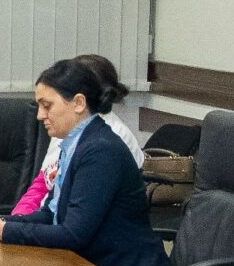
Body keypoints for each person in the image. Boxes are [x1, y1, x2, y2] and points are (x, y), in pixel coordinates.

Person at [0, 59, 171, 266]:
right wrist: (1, 220)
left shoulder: (100, 151)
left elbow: (73, 234)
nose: (40, 115)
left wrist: (3, 231)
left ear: (78, 103)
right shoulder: (76, 143)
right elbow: (51, 214)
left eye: (47, 106)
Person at [9, 53, 144, 216]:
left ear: (81, 98)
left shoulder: (110, 139)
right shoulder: (66, 130)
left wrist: (15, 227)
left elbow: (78, 220)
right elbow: (44, 183)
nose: (40, 115)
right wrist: (14, 218)